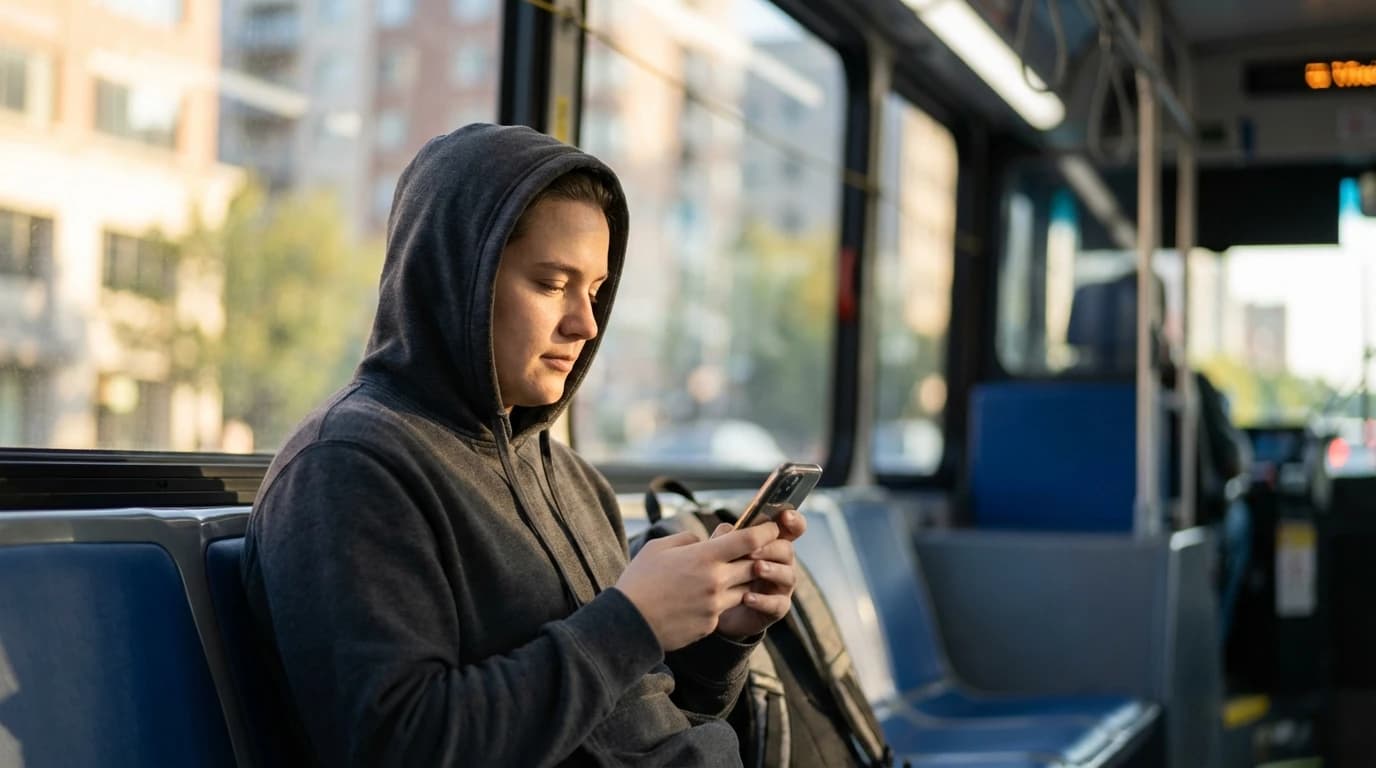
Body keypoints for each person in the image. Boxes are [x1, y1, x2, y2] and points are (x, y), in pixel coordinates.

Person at [242, 124, 807, 766]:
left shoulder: (573, 480)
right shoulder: (348, 467)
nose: (585, 324)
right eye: (551, 283)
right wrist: (633, 623)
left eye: (595, 291)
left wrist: (721, 637)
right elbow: (399, 745)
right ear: (459, 277)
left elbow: (652, 723)